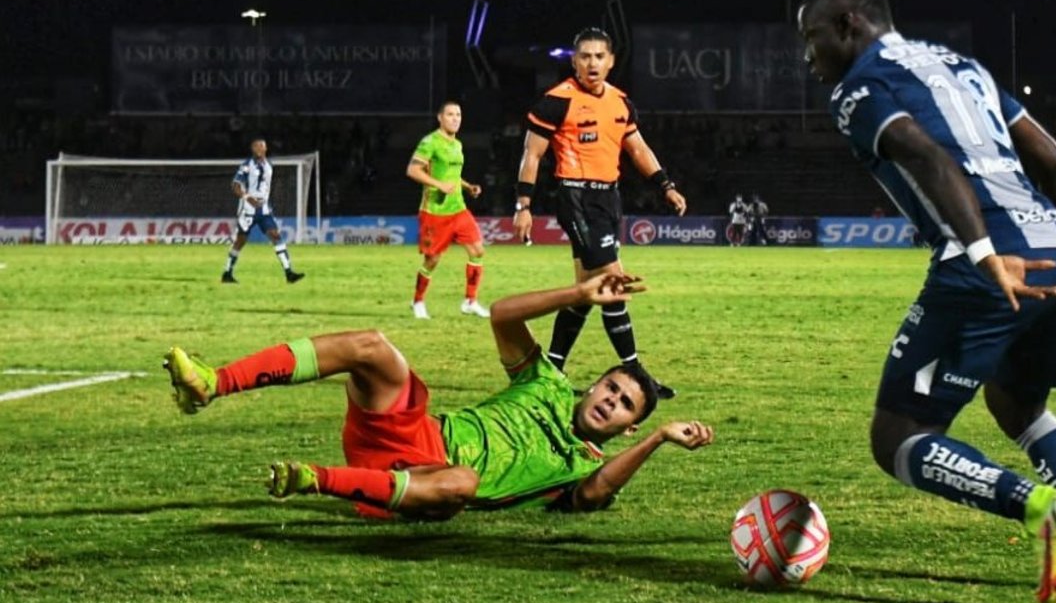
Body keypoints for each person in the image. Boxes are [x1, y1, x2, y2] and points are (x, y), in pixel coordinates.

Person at [796, 0, 1056, 603]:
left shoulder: (861, 86)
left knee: (898, 434)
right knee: (1021, 409)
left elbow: (928, 158)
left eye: (812, 37)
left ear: (849, 25)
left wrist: (985, 253)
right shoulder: (961, 66)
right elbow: (1054, 159)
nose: (808, 56)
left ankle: (1042, 507)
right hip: (1052, 249)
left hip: (989, 261)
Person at [163, 273, 714, 518]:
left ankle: (314, 479)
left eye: (624, 406)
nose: (610, 401)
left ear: (628, 428)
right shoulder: (545, 382)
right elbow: (502, 314)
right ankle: (213, 383)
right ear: (594, 382)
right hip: (416, 432)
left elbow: (595, 494)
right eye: (611, 387)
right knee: (372, 346)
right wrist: (578, 294)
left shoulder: (583, 466)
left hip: (424, 484)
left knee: (463, 483)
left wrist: (660, 439)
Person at [512, 26, 686, 398]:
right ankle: (636, 374)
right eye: (585, 56)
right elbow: (532, 155)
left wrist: (666, 185)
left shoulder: (621, 103)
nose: (592, 63)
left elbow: (638, 149)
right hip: (575, 197)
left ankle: (551, 371)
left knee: (585, 293)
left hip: (609, 199)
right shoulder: (556, 101)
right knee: (613, 283)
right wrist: (523, 205)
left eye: (599, 56)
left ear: (611, 61)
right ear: (574, 61)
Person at [406, 100, 487, 320]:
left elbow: (453, 176)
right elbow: (413, 170)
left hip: (458, 209)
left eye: (458, 115)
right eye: (450, 114)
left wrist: (468, 187)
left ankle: (470, 301)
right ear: (440, 118)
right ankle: (418, 302)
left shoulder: (457, 145)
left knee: (477, 251)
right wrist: (439, 185)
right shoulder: (430, 142)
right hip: (435, 211)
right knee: (432, 261)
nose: (455, 119)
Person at [221, 138, 304, 285]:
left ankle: (289, 273)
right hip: (248, 209)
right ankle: (227, 272)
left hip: (264, 210)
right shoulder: (246, 166)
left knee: (276, 235)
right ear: (252, 149)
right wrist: (247, 197)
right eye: (256, 146)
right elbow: (235, 186)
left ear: (266, 149)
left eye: (261, 146)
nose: (259, 149)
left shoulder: (269, 165)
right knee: (240, 241)